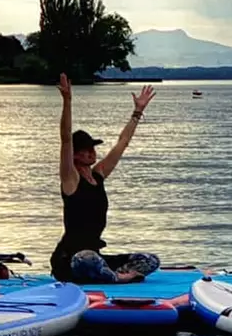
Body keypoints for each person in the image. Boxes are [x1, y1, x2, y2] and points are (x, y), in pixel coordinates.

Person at [52, 73, 161, 285]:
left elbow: (122, 142)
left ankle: (111, 274)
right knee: (86, 259)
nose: (92, 152)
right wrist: (67, 101)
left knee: (149, 260)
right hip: (70, 260)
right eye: (86, 149)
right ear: (75, 154)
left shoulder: (98, 174)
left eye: (93, 148)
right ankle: (116, 278)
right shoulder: (71, 179)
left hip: (96, 255)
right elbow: (65, 139)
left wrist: (137, 112)